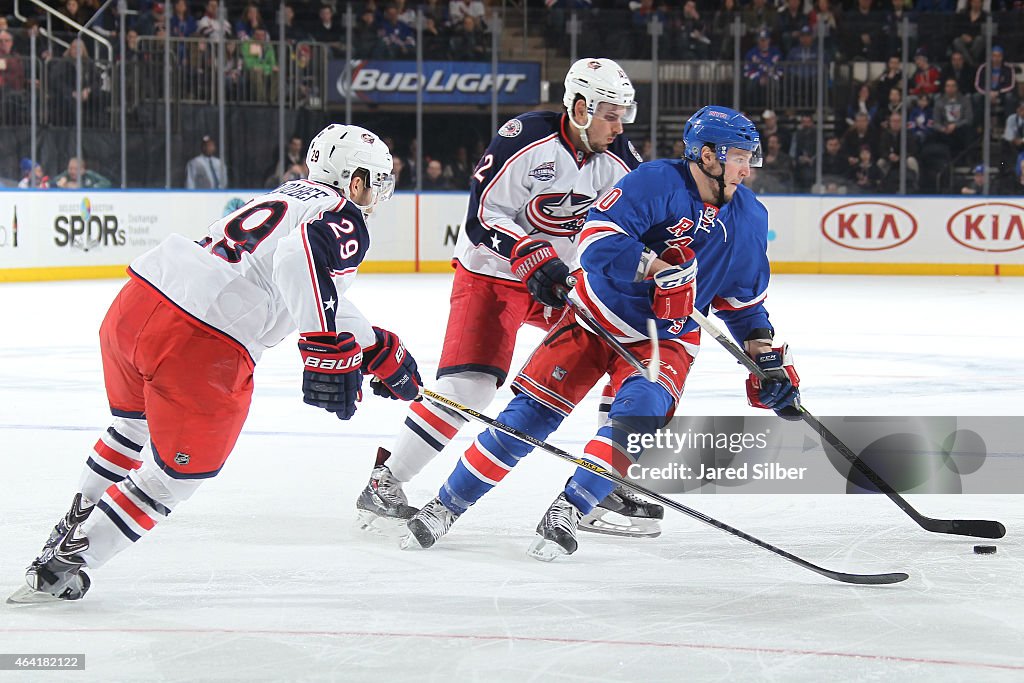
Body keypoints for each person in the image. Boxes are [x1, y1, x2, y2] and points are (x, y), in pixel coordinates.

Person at [8, 124, 423, 603]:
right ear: (353, 180)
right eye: (374, 179)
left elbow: (296, 281)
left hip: (138, 304)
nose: (377, 191)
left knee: (130, 426)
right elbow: (297, 263)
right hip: (202, 342)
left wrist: (375, 346)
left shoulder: (287, 193)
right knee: (173, 477)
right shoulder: (344, 214)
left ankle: (69, 527)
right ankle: (66, 564)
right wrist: (326, 344)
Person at [402, 106, 802, 559]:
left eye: (752, 156)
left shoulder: (751, 218)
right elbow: (594, 240)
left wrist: (765, 359)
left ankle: (570, 508)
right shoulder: (655, 181)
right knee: (527, 419)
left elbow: (743, 306)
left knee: (638, 418)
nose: (748, 168)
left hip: (666, 338)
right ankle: (446, 505)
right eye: (739, 156)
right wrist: (652, 268)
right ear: (707, 155)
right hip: (596, 317)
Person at [355, 58, 653, 538]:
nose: (619, 127)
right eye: (611, 116)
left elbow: (636, 226)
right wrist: (527, 253)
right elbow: (480, 218)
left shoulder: (620, 159)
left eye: (623, 116)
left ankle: (603, 484)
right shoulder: (524, 138)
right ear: (580, 108)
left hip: (565, 281)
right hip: (495, 272)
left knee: (628, 346)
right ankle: (384, 481)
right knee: (471, 387)